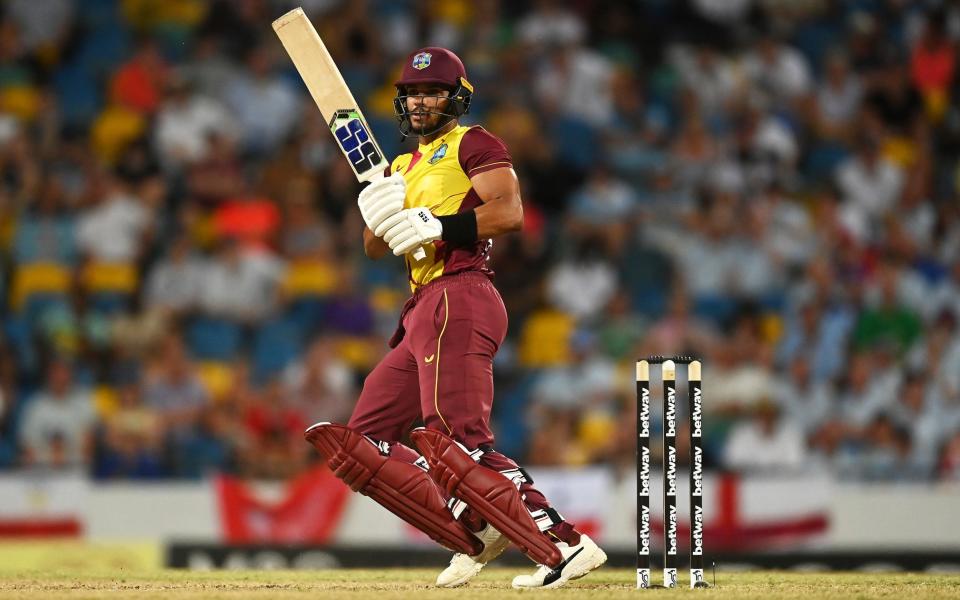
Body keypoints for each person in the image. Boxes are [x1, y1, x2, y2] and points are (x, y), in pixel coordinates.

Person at [304, 47, 606, 589]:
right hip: (420, 307)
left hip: (461, 295)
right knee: (365, 441)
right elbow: (378, 247)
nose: (420, 101)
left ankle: (565, 543)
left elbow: (508, 214)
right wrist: (374, 216)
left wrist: (440, 225)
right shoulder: (398, 167)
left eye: (432, 92)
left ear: (456, 98)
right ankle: (477, 529)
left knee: (459, 437)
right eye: (412, 94)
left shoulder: (475, 142)